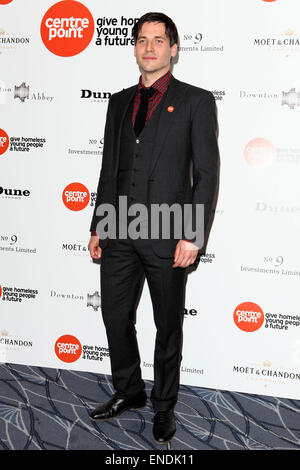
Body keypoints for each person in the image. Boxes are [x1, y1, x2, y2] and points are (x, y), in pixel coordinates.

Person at [88, 12, 219, 445]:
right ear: (135, 48)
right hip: (119, 228)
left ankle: (164, 407)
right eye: (142, 40)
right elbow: (110, 169)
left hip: (169, 232)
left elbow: (206, 173)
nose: (149, 47)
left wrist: (193, 234)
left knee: (167, 325)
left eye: (158, 40)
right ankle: (129, 391)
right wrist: (98, 224)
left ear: (173, 48)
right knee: (114, 317)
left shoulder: (197, 101)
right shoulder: (117, 102)